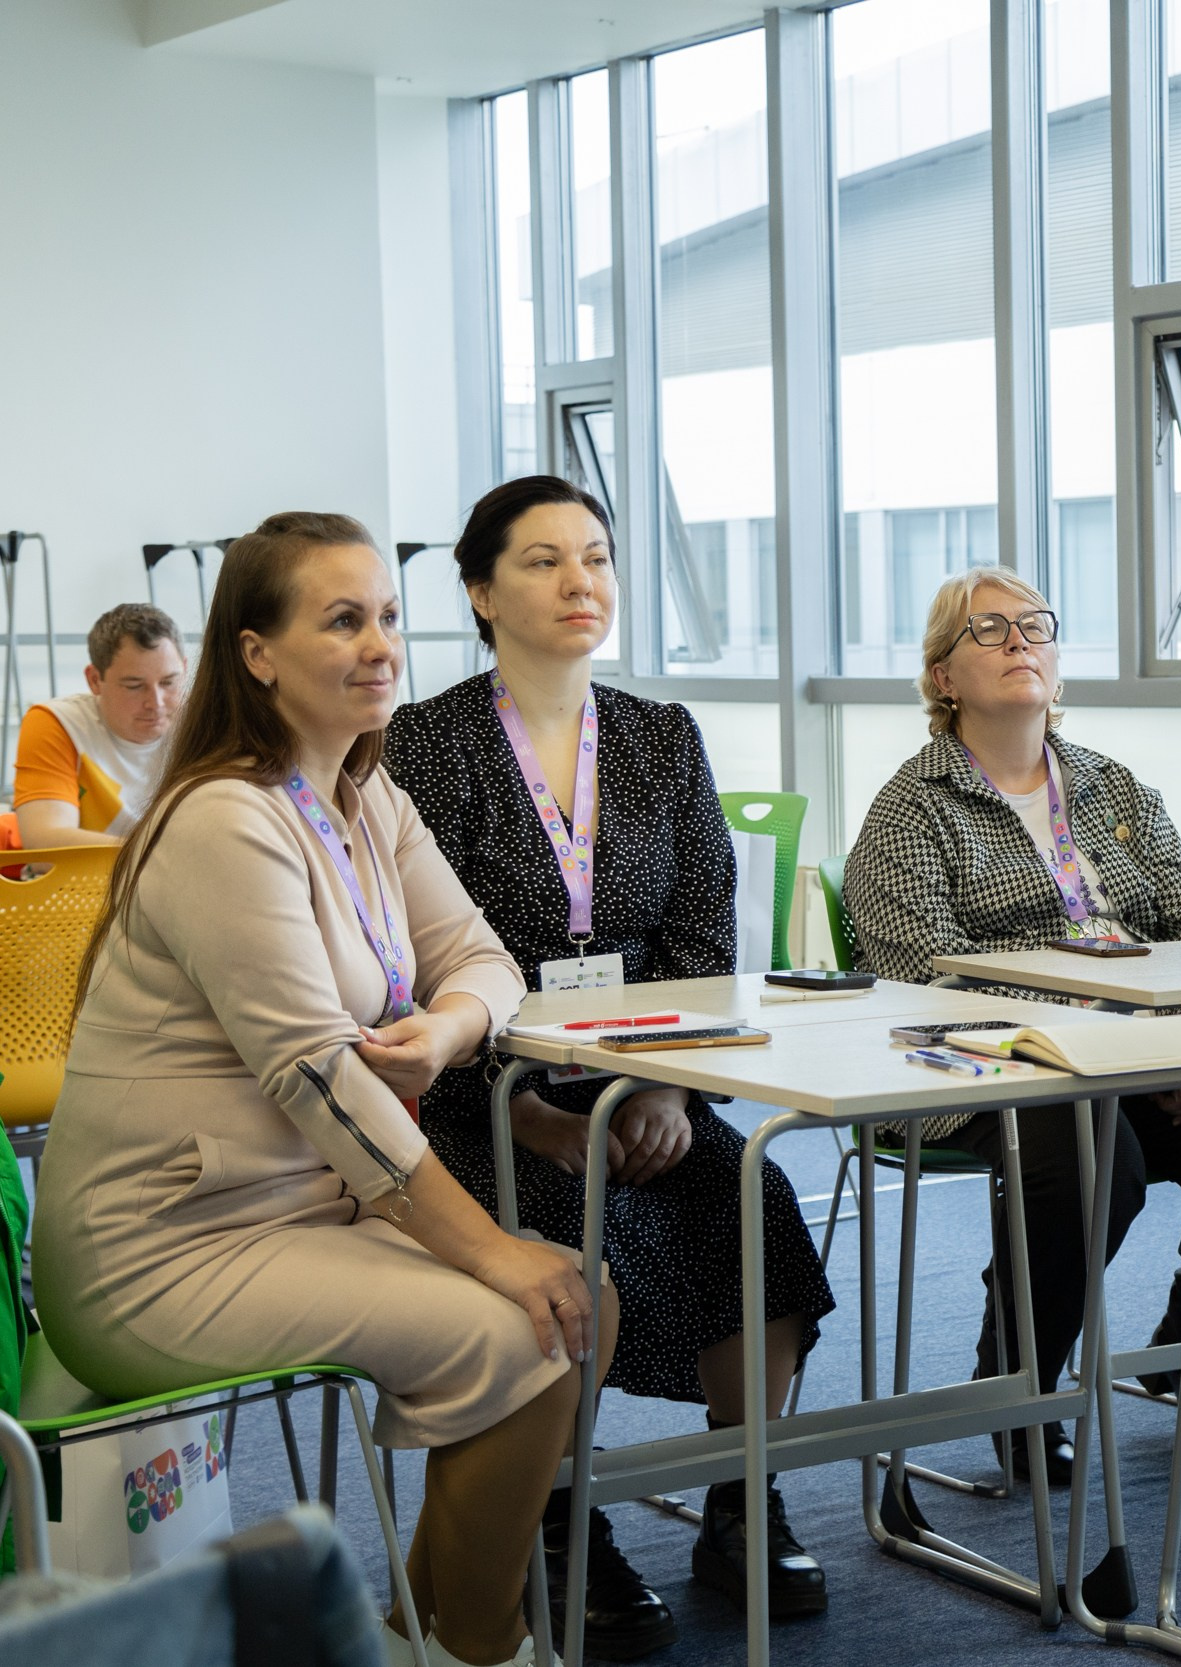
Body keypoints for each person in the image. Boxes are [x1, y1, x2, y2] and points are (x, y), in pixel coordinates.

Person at [35, 513, 608, 1667]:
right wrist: (489, 1248)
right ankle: (483, 1652)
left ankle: (417, 1636)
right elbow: (319, 1082)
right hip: (161, 1245)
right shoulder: (221, 817)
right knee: (532, 1322)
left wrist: (444, 1033)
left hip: (299, 1210)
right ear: (256, 653)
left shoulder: (361, 793)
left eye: (388, 617)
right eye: (341, 619)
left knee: (573, 1310)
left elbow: (489, 963)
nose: (380, 644)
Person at [386, 476, 836, 1644]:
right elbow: (402, 971)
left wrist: (672, 1088)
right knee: (562, 1242)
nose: (579, 580)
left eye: (595, 556)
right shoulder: (423, 745)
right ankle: (552, 1513)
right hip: (480, 1100)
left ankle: (742, 1495)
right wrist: (528, 1111)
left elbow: (700, 932)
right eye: (541, 561)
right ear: (481, 592)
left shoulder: (657, 734)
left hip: (644, 1081)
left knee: (760, 1204)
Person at [841, 566, 1181, 1483]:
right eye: (989, 631)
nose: (1020, 641)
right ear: (943, 677)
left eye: (1035, 627)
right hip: (995, 1068)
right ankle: (1022, 1382)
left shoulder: (1113, 788)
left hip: (1144, 1051)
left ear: (1059, 667)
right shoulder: (913, 807)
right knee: (1090, 1146)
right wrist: (1104, 1050)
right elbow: (918, 984)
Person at [12, 602, 188, 847]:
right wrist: (164, 856)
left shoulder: (211, 721)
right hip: (87, 884)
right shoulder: (59, 723)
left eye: (169, 682)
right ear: (95, 680)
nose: (155, 703)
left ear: (185, 669)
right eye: (134, 686)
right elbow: (45, 846)